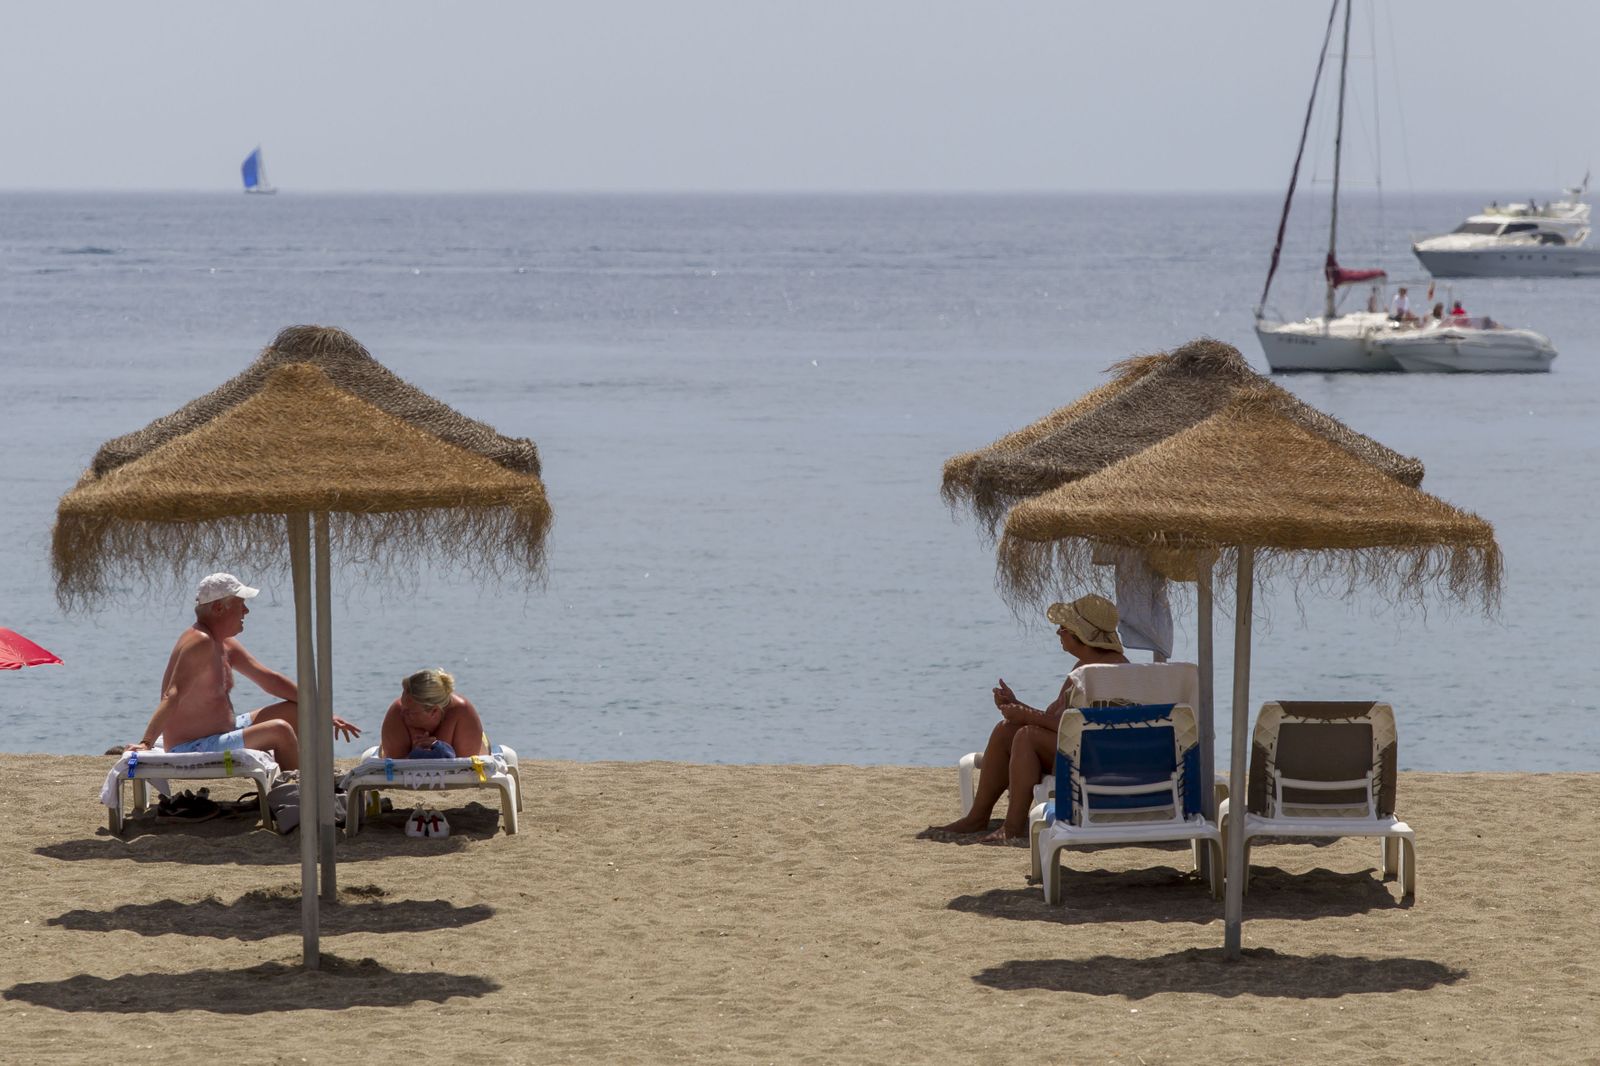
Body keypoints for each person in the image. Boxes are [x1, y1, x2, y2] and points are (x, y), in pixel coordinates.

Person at [929, 594, 1129, 845]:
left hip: (1093, 758)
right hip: (1076, 746)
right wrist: (1018, 707)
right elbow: (1059, 720)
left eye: (1064, 628)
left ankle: (1012, 827)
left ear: (1082, 636)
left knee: (1026, 736)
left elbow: (1079, 728)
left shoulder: (1108, 673)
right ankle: (977, 817)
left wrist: (1025, 716)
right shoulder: (1084, 667)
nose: (1058, 633)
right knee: (1007, 730)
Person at [127, 573, 361, 770]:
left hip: (223, 732)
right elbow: (172, 694)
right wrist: (147, 742)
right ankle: (294, 794)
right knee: (279, 730)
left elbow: (270, 680)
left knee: (298, 710)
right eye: (241, 605)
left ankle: (308, 776)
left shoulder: (224, 643)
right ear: (219, 607)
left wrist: (324, 712)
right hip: (192, 745)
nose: (246, 611)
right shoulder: (199, 642)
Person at [380, 668, 486, 759]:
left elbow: (468, 767)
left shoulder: (462, 713)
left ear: (434, 711)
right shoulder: (397, 712)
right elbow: (394, 767)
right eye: (403, 705)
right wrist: (414, 756)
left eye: (409, 711)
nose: (402, 712)